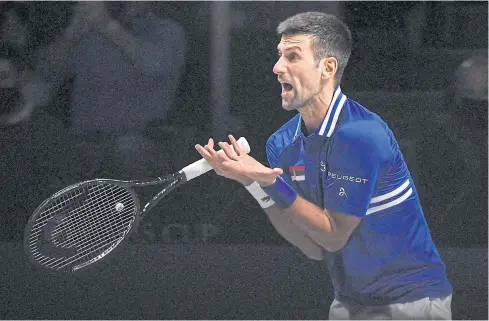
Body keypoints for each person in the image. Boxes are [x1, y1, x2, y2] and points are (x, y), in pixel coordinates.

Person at [195, 12, 453, 320]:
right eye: (279, 56)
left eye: (292, 57)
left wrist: (270, 182)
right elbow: (313, 246)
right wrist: (253, 183)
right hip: (348, 302)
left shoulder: (360, 135)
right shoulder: (282, 143)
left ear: (327, 67)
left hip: (410, 303)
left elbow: (333, 236)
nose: (277, 69)